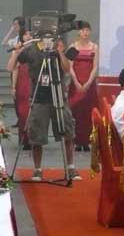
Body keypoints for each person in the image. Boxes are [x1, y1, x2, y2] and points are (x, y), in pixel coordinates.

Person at [14, 32, 78, 182]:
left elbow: (66, 69)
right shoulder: (31, 50)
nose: (48, 39)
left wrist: (60, 53)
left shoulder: (58, 47)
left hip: (58, 96)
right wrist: (17, 51)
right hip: (39, 97)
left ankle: (71, 168)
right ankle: (37, 170)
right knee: (36, 135)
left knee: (67, 132)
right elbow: (13, 65)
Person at [68, 21, 99, 151]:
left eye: (87, 30)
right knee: (76, 112)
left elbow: (95, 67)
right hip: (76, 84)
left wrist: (88, 82)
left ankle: (86, 141)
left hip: (89, 84)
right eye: (82, 30)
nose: (85, 33)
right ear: (78, 32)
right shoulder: (73, 47)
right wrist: (76, 82)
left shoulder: (94, 47)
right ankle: (77, 141)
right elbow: (69, 67)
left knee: (88, 112)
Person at [8, 30, 33, 150]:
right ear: (22, 37)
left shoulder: (37, 49)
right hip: (22, 82)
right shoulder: (18, 50)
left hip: (34, 81)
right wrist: (13, 86)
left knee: (34, 112)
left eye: (30, 34)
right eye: (26, 34)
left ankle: (34, 138)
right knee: (23, 112)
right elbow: (13, 69)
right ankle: (24, 139)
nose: (28, 36)